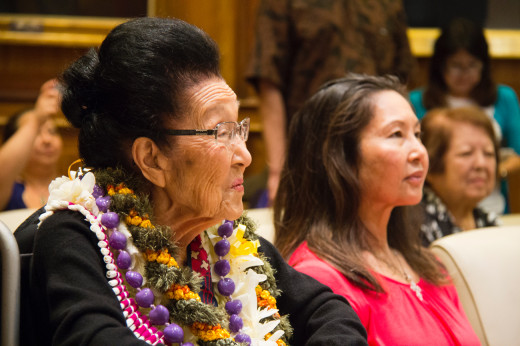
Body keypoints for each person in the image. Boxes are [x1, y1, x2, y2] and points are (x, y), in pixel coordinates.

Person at [14, 17, 368, 346]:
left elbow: (330, 312)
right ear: (152, 159)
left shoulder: (224, 237)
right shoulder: (75, 237)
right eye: (221, 132)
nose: (244, 155)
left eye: (239, 129)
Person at [274, 74, 480, 345]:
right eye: (396, 134)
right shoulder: (319, 279)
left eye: (417, 134)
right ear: (338, 156)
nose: (419, 151)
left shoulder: (429, 264)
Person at [245, 0, 417, 205]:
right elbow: (269, 79)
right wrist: (278, 170)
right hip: (307, 156)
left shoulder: (388, 4)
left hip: (376, 154)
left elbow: (401, 79)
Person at [409, 17, 520, 213]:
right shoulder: (417, 100)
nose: (464, 73)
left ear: (484, 66)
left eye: (472, 65)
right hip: (432, 207)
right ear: (441, 66)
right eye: (456, 65)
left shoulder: (504, 97)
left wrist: (489, 170)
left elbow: (517, 153)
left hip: (492, 205)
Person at [419, 106, 500, 246]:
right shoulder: (414, 227)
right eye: (466, 153)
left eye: (489, 153)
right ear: (431, 166)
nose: (480, 164)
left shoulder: (490, 223)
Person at [0, 79, 63, 211]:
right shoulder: (8, 190)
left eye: (52, 132)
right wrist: (36, 119)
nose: (47, 140)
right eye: (36, 134)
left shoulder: (75, 190)